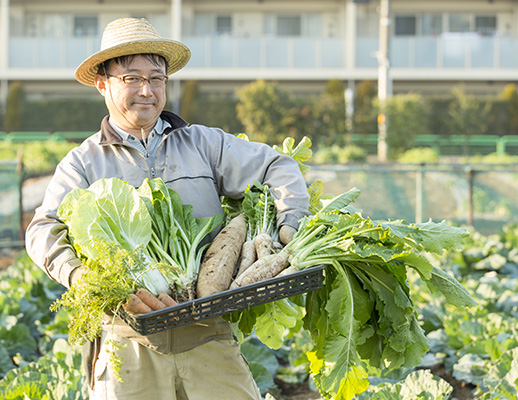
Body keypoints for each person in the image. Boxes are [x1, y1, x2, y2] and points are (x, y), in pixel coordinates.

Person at [25, 17, 310, 400]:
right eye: (132, 78)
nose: (147, 90)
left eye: (157, 79)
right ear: (102, 83)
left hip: (208, 334)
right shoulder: (83, 163)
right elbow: (43, 230)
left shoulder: (203, 144)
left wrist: (288, 225)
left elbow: (279, 166)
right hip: (128, 346)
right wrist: (84, 280)